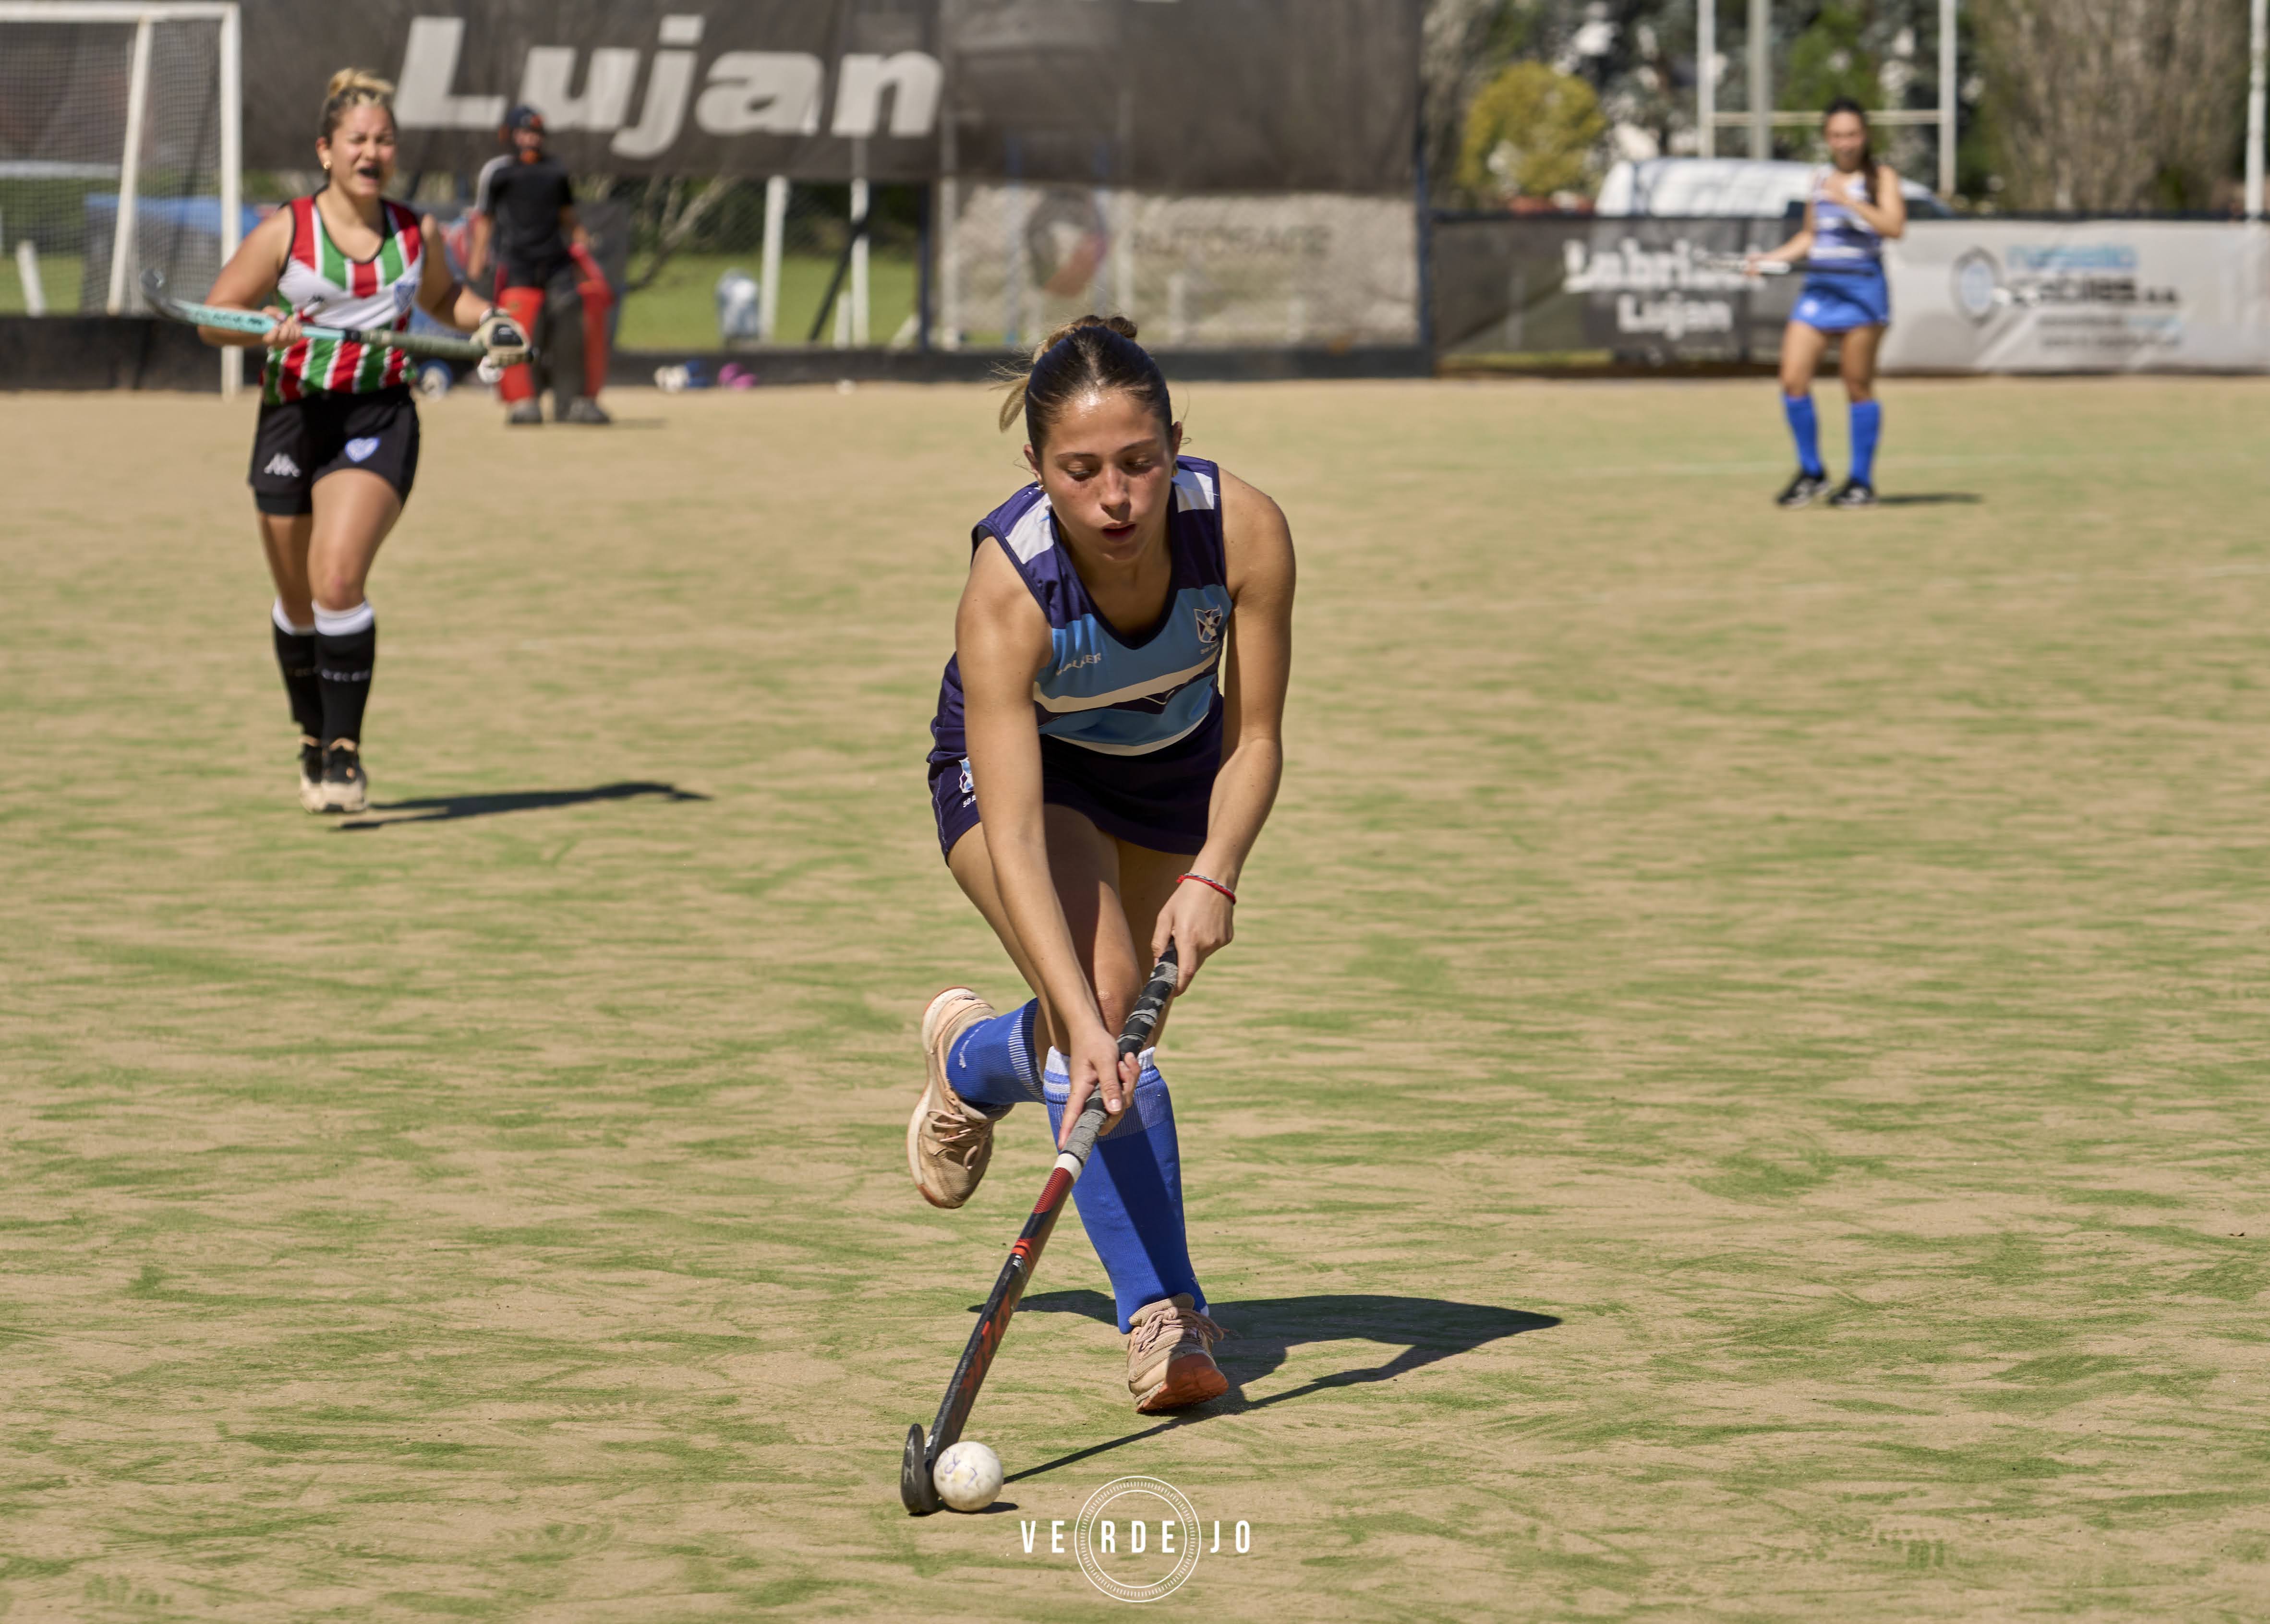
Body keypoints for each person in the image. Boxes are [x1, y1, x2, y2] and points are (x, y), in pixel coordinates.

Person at [906, 316, 1295, 1415]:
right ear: (1037, 470)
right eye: (1080, 473)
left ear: (1176, 442)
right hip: (1035, 786)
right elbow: (1021, 835)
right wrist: (1082, 1014)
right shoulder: (1009, 589)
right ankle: (1163, 1319)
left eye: (1139, 464)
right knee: (1106, 1014)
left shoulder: (1244, 532)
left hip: (1178, 781)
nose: (1116, 497)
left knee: (1109, 1032)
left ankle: (972, 1059)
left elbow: (1255, 736)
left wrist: (1216, 870)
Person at [198, 68, 528, 813]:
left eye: (384, 140)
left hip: (377, 417)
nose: (371, 153)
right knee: (297, 601)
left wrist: (491, 322)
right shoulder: (287, 230)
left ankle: (345, 752)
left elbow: (444, 298)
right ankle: (313, 735)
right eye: (357, 140)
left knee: (338, 577)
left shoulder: (418, 232)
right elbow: (214, 316)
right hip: (292, 415)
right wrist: (263, 327)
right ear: (327, 150)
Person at [1750, 97, 1907, 509]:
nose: (1845, 143)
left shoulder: (1881, 177)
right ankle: (1812, 472)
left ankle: (1860, 481)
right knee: (1792, 380)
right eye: (1837, 135)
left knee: (1856, 386)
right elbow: (1809, 237)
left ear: (1865, 135)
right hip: (1819, 291)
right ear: (1827, 138)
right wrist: (1769, 260)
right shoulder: (1819, 178)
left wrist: (1850, 201)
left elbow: (1894, 227)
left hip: (1862, 293)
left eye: (1852, 134)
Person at [466, 105, 613, 426]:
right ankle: (524, 401)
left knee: (571, 327)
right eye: (524, 133)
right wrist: (476, 269)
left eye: (536, 134)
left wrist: (583, 247)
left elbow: (568, 217)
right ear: (508, 135)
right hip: (517, 264)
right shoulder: (498, 172)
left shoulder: (555, 171)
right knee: (520, 330)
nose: (531, 140)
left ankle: (572, 401)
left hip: (558, 264)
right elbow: (485, 221)